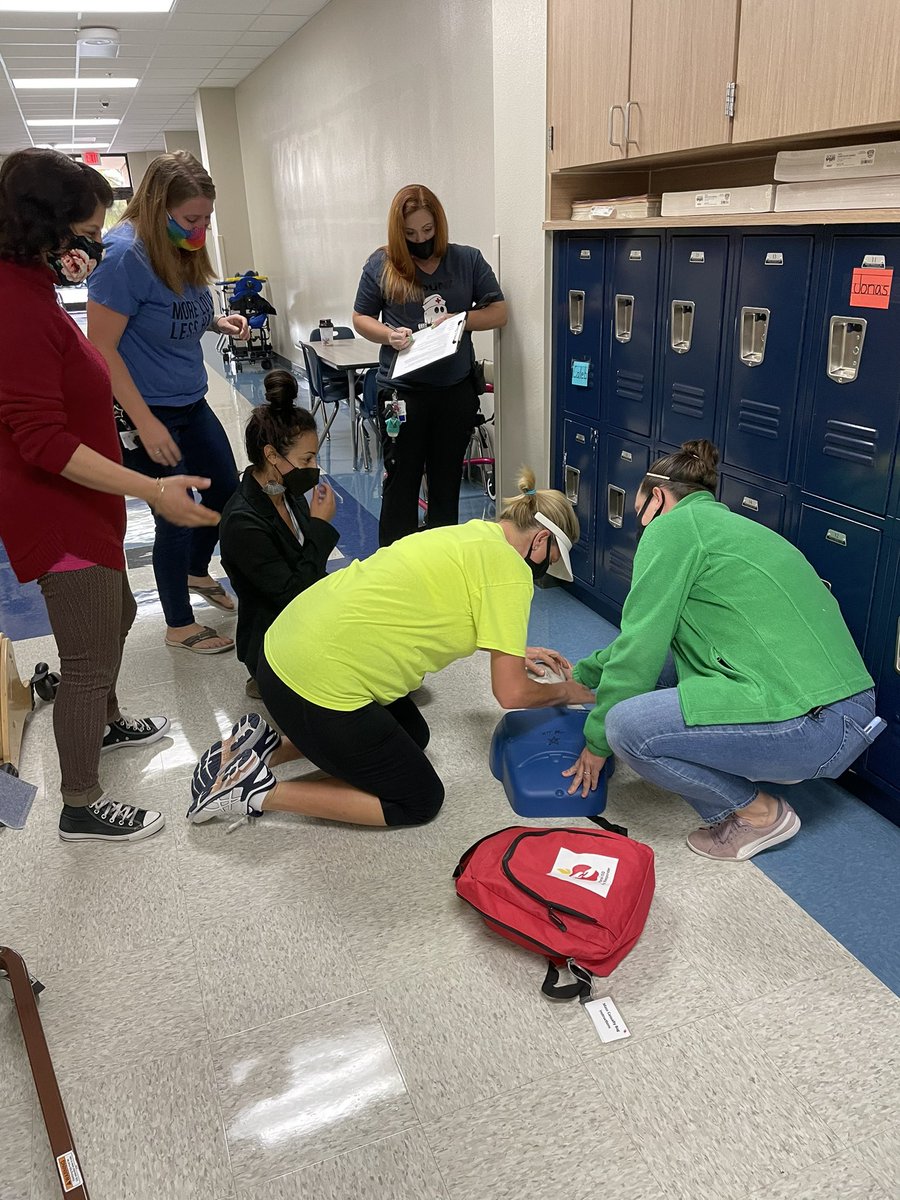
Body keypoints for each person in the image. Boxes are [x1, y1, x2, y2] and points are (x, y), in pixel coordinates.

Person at [0, 148, 220, 843]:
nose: (96, 245)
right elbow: (43, 442)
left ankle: (108, 721)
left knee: (117, 611)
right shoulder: (11, 304)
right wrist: (153, 487)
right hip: (55, 507)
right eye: (88, 233)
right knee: (88, 656)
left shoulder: (28, 285)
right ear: (45, 228)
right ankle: (81, 803)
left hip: (83, 498)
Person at [187, 469, 595, 828]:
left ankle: (266, 748)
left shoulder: (473, 533)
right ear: (540, 539)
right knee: (418, 799)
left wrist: (512, 648)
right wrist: (570, 691)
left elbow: (448, 604)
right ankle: (253, 792)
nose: (545, 571)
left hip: (281, 651)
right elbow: (512, 694)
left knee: (412, 733)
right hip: (311, 684)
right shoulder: (513, 573)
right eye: (552, 559)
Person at [563, 439, 883, 862]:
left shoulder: (671, 529)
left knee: (627, 730)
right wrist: (585, 675)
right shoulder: (727, 528)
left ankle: (757, 814)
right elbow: (645, 648)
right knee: (665, 665)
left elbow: (638, 647)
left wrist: (597, 742)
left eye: (640, 514)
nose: (641, 527)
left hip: (812, 727)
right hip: (845, 713)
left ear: (657, 498)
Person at [87, 151, 249, 655]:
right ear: (158, 209)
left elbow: (174, 309)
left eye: (206, 219)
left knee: (226, 493)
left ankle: (196, 573)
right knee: (175, 512)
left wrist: (214, 321)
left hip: (189, 398)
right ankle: (178, 624)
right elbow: (101, 349)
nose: (199, 230)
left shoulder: (180, 245)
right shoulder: (121, 258)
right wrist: (144, 422)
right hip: (145, 410)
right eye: (190, 219)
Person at [352, 184, 507, 547]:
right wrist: (388, 335)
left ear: (439, 225)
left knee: (446, 481)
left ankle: (439, 558)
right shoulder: (382, 264)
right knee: (401, 481)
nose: (420, 239)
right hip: (402, 394)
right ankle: (394, 564)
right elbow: (361, 317)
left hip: (452, 392)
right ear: (397, 233)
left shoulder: (467, 260)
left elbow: (498, 312)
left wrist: (461, 319)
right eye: (409, 234)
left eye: (427, 230)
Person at [218, 370, 339, 697]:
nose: (315, 467)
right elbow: (292, 593)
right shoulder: (243, 522)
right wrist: (320, 528)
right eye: (307, 459)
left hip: (303, 618)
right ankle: (267, 680)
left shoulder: (285, 490)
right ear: (272, 455)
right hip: (274, 637)